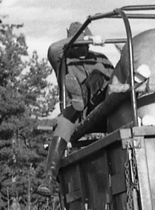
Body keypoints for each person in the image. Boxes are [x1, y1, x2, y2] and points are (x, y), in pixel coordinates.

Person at [39, 23, 119, 195]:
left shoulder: (101, 59)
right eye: (78, 45)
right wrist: (83, 38)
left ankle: (82, 94)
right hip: (78, 113)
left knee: (98, 74)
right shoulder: (64, 61)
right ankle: (49, 178)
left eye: (86, 44)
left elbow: (116, 81)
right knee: (63, 121)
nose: (83, 48)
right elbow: (54, 48)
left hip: (102, 106)